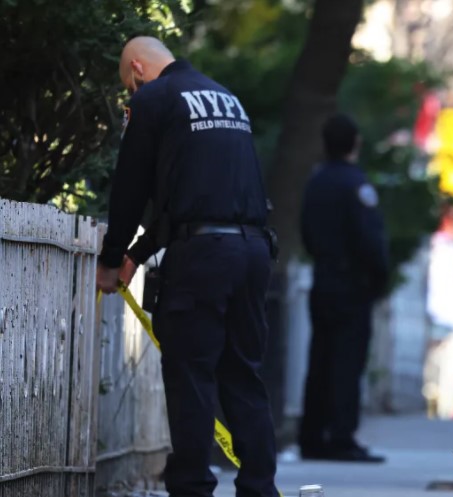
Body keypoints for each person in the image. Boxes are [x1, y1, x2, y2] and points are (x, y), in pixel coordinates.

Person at [95, 36, 277, 497]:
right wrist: (138, 255)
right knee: (243, 374)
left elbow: (131, 189)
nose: (132, 95)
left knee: (190, 373)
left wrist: (112, 257)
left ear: (137, 70)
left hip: (203, 260)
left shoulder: (153, 100)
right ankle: (260, 488)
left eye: (129, 86)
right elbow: (201, 196)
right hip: (253, 250)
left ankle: (192, 489)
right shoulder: (227, 98)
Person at [298, 114, 389, 463]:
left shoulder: (316, 181)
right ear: (355, 143)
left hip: (324, 280)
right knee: (347, 363)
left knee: (319, 359)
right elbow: (370, 239)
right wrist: (377, 278)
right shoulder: (356, 184)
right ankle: (341, 436)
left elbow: (306, 231)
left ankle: (312, 436)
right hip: (352, 284)